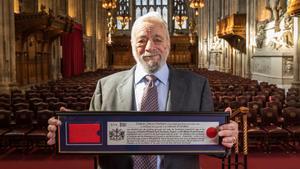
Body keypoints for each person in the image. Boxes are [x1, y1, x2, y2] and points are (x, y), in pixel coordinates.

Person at [47, 12, 238, 169]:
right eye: (141, 40)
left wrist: (227, 137)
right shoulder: (105, 87)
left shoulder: (197, 85)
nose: (149, 47)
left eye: (157, 39)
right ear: (131, 46)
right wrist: (65, 132)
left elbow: (213, 143)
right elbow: (93, 137)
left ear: (168, 44)